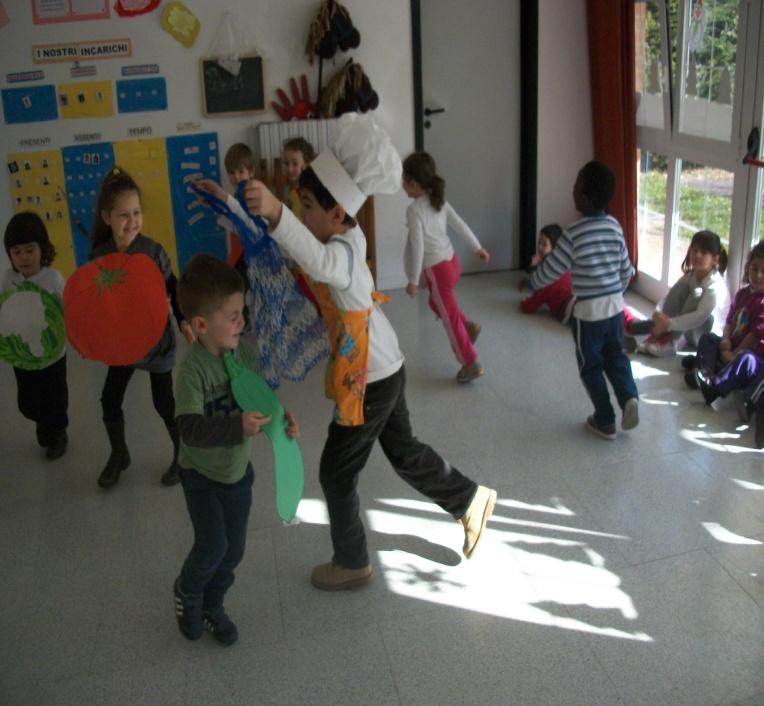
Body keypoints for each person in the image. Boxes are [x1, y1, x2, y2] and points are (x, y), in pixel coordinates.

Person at [198, 114, 497, 590]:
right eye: (297, 203)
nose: (301, 211)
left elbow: (310, 257)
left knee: (335, 474)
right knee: (404, 452)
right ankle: (470, 501)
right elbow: (277, 245)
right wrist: (232, 203)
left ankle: (353, 560)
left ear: (337, 214)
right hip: (385, 363)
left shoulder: (339, 254)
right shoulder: (343, 235)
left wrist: (276, 213)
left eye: (307, 206)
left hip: (371, 377)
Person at [172, 253, 299, 646]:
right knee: (212, 546)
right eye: (233, 316)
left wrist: (282, 420)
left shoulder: (244, 354)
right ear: (200, 325)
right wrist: (235, 426)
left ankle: (214, 603)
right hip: (201, 478)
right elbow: (189, 429)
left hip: (237, 475)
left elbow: (258, 400)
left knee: (234, 551)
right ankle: (188, 591)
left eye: (242, 312)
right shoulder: (192, 372)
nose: (242, 322)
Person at [90, 167, 187, 489]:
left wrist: (184, 320)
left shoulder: (153, 252)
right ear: (107, 217)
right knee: (109, 399)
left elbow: (173, 289)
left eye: (136, 213)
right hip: (122, 346)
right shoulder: (100, 256)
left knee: (164, 404)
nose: (132, 221)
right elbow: (96, 301)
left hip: (157, 343)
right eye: (123, 215)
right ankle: (120, 454)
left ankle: (182, 455)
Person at [529, 160, 639, 440]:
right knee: (616, 355)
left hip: (588, 314)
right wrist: (616, 293)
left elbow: (553, 269)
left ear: (585, 198)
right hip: (615, 308)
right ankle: (629, 397)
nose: (572, 189)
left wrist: (533, 281)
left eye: (576, 185)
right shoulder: (614, 226)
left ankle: (605, 420)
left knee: (591, 366)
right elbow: (627, 270)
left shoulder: (573, 234)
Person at [402, 151, 490, 383]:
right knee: (437, 303)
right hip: (452, 263)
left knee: (450, 320)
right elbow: (459, 224)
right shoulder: (437, 199)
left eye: (404, 180)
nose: (402, 184)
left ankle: (470, 363)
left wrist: (412, 281)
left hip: (437, 271)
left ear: (412, 183)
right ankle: (469, 327)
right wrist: (477, 247)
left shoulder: (414, 210)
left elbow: (417, 246)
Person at [2, 211, 68, 459]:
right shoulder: (9, 279)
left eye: (30, 249)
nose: (24, 257)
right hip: (23, 355)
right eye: (16, 252)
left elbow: (67, 311)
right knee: (28, 401)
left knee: (55, 397)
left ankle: (59, 432)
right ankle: (42, 420)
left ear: (42, 248)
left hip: (52, 354)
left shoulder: (53, 279)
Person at [624, 230, 729, 357]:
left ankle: (670, 342)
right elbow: (670, 295)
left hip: (706, 337)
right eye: (695, 250)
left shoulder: (714, 285)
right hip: (689, 331)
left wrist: (669, 324)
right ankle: (661, 336)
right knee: (681, 289)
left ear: (715, 259)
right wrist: (658, 313)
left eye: (704, 252)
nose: (698, 255)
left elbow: (699, 317)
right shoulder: (692, 275)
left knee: (697, 293)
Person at [688, 240, 764, 387]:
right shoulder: (742, 294)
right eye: (754, 268)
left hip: (745, 353)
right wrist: (726, 341)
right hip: (730, 346)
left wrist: (733, 355)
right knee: (708, 338)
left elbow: (754, 337)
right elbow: (730, 321)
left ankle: (712, 376)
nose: (758, 275)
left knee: (744, 359)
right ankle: (704, 372)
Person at [282, 137, 321, 312]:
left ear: (306, 164)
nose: (290, 168)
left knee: (315, 294)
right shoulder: (293, 192)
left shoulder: (308, 193)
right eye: (287, 163)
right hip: (299, 251)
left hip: (310, 250)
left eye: (295, 163)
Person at [517, 223, 574, 323]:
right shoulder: (566, 266)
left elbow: (527, 307)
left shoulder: (545, 277)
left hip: (571, 311)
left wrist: (522, 302)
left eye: (544, 244)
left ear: (555, 246)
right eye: (539, 242)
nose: (539, 247)